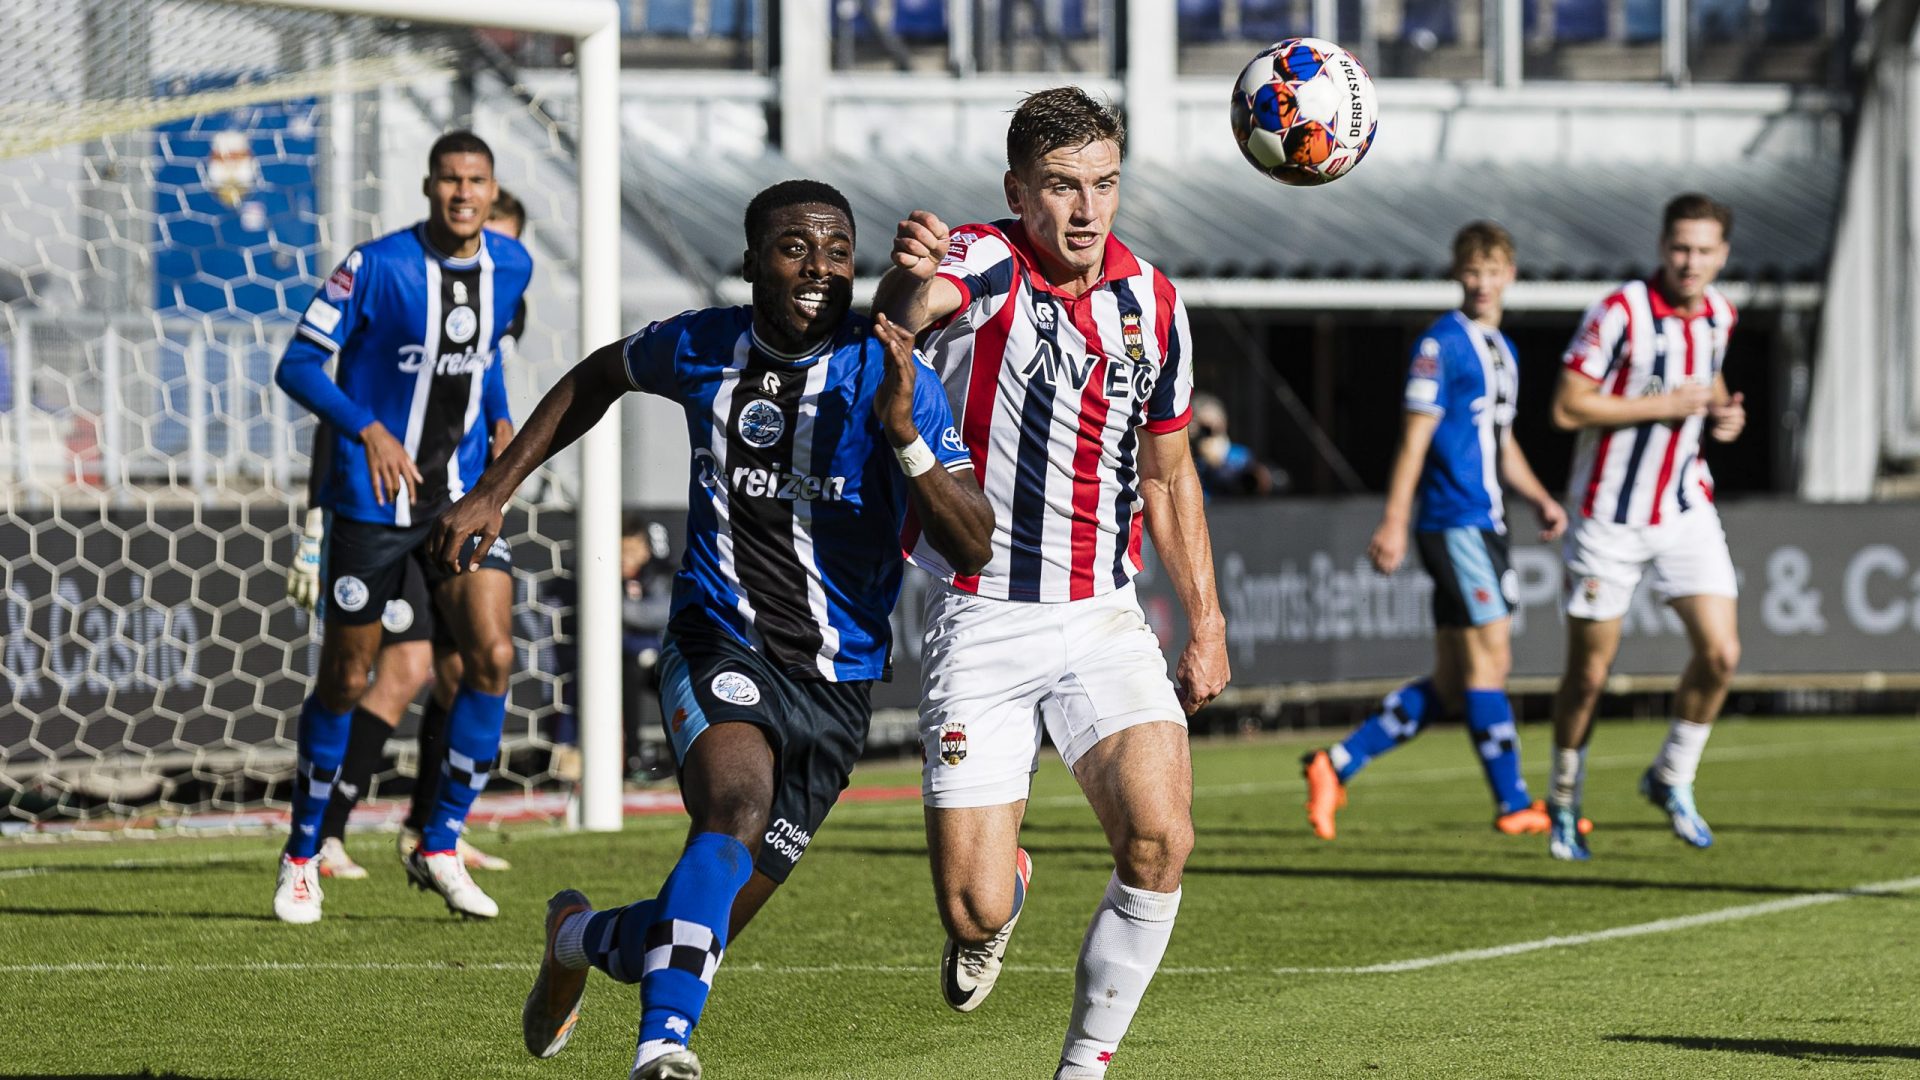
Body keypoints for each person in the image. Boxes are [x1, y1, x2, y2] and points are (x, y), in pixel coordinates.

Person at [431, 180, 993, 1080]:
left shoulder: (896, 375)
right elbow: (596, 377)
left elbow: (971, 539)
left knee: (693, 929)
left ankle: (574, 939)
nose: (820, 268)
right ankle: (664, 1050)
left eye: (837, 250)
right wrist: (495, 490)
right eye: (794, 248)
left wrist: (904, 434)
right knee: (732, 807)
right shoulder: (703, 345)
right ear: (751, 262)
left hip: (836, 688)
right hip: (717, 640)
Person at [873, 87, 1230, 1080]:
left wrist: (1205, 622)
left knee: (1161, 837)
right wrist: (903, 284)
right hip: (981, 620)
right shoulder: (985, 258)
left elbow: (1167, 474)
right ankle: (1002, 897)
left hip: (1102, 619)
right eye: (1062, 188)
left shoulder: (1154, 302)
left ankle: (1085, 1065)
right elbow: (914, 312)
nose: (1086, 211)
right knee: (972, 906)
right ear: (1017, 191)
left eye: (1105, 186)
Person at [270, 131, 531, 923]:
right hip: (372, 497)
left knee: (492, 655)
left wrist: (499, 416)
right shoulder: (374, 264)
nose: (463, 193)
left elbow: (482, 355)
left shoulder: (511, 267)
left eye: (476, 180)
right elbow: (299, 363)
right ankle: (303, 853)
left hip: (457, 497)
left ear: (492, 190)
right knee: (348, 679)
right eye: (450, 179)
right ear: (428, 187)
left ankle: (440, 842)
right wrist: (369, 430)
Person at [1300, 222, 1570, 840]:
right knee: (1492, 660)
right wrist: (1395, 519)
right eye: (1472, 270)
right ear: (1458, 275)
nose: (1482, 281)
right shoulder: (1440, 344)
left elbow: (1501, 445)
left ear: (1511, 275)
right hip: (1455, 521)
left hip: (1487, 521)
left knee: (1453, 680)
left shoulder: (1504, 351)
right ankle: (1513, 803)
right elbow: (1415, 438)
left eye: (1493, 270)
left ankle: (1335, 764)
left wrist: (1540, 498)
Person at [1544, 193, 1746, 861]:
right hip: (1608, 517)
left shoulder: (1720, 314)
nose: (1690, 261)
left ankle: (1672, 776)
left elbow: (1709, 387)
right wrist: (1663, 403)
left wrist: (1724, 417)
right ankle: (1565, 798)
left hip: (1684, 507)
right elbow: (1569, 408)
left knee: (1721, 654)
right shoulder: (1620, 311)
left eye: (1704, 250)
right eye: (1680, 247)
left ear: (1723, 256)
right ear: (1663, 246)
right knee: (1590, 677)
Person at [1190, 392, 1278, 497]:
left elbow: (1254, 483)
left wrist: (1220, 463)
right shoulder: (1190, 455)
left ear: (1224, 423)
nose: (1207, 433)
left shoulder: (1240, 454)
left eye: (1210, 428)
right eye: (1202, 429)